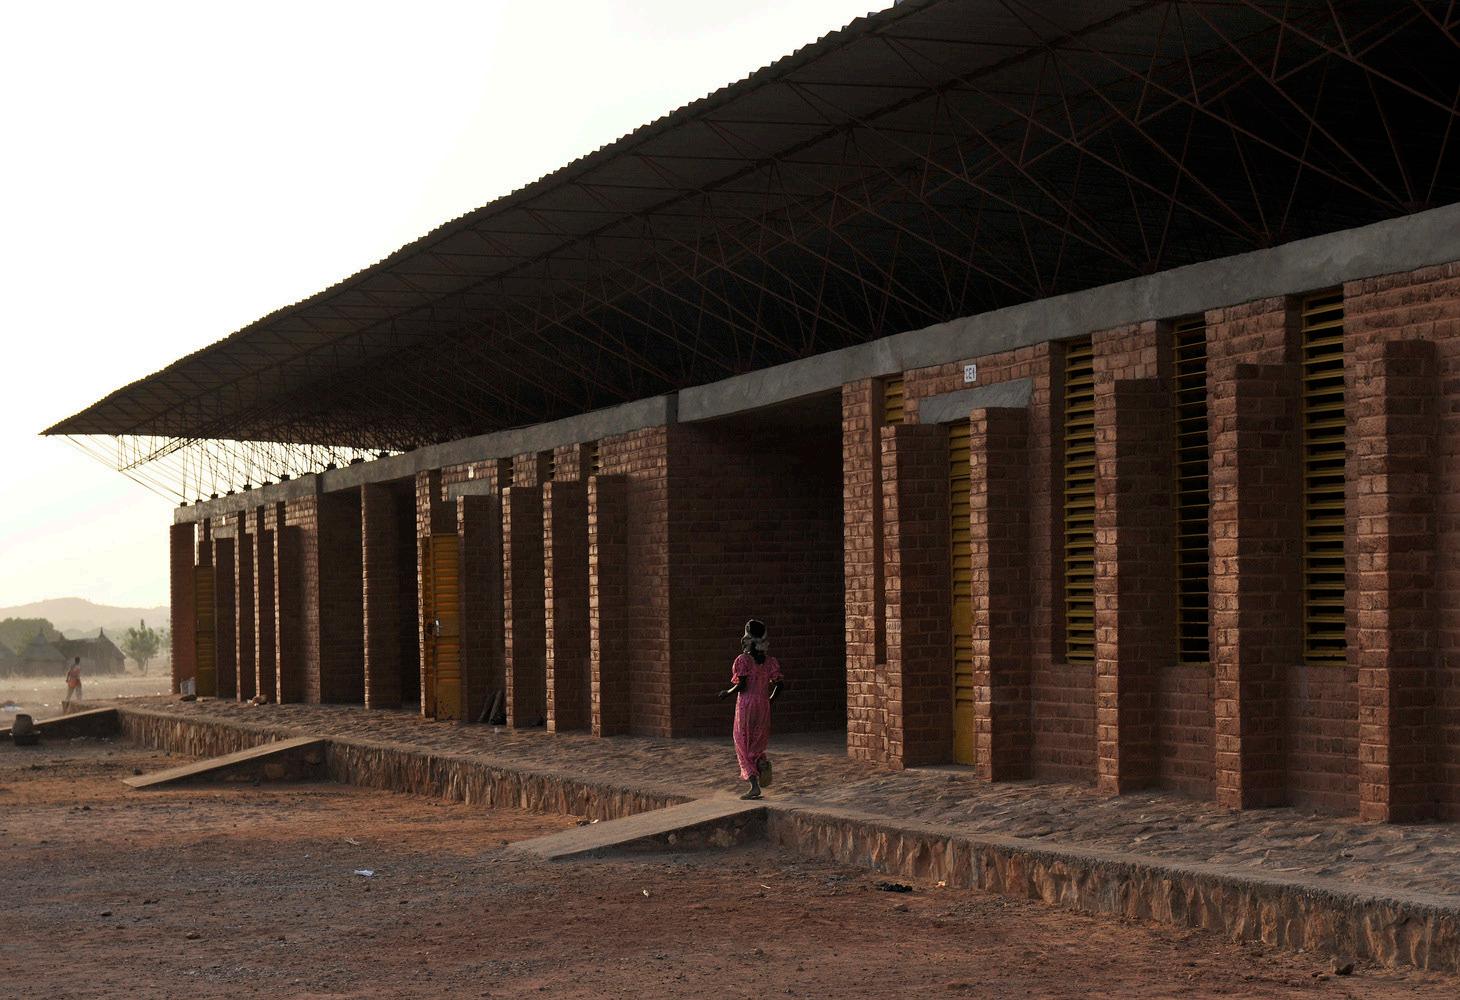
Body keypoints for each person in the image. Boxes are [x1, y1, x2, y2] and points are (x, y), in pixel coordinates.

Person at [718, 619, 783, 800]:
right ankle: (760, 762)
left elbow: (742, 685)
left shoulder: (743, 660)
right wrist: (769, 700)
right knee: (756, 743)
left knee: (743, 744)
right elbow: (780, 685)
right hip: (763, 706)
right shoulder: (770, 662)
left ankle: (754, 785)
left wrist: (726, 692)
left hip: (746, 707)